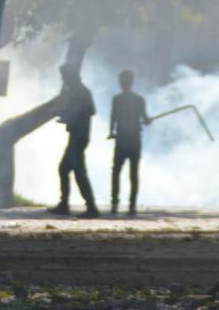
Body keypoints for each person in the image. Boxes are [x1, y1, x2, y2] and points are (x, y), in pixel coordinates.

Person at [48, 63, 101, 218]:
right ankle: (67, 204)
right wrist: (65, 115)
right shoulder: (76, 91)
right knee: (65, 169)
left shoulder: (81, 92)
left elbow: (89, 111)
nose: (63, 80)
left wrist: (68, 115)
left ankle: (91, 207)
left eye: (64, 77)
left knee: (78, 172)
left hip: (79, 137)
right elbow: (76, 112)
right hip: (77, 136)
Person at [108, 69, 151, 215]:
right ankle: (131, 205)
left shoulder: (117, 99)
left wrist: (111, 132)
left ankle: (115, 202)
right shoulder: (139, 99)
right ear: (132, 82)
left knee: (116, 171)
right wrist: (148, 120)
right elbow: (145, 120)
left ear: (121, 83)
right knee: (133, 173)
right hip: (133, 140)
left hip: (122, 139)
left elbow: (113, 118)